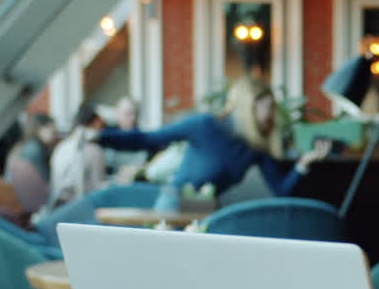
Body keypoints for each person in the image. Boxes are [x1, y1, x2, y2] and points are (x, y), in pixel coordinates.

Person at [95, 78, 331, 211]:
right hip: (174, 204)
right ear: (250, 106)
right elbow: (145, 139)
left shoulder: (255, 146)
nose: (271, 114)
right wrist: (100, 136)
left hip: (208, 208)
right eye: (267, 107)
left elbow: (280, 191)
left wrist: (303, 163)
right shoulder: (205, 125)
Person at [45, 102, 107, 210]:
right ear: (96, 123)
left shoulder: (61, 147)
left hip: (57, 207)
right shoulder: (92, 150)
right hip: (79, 209)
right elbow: (98, 188)